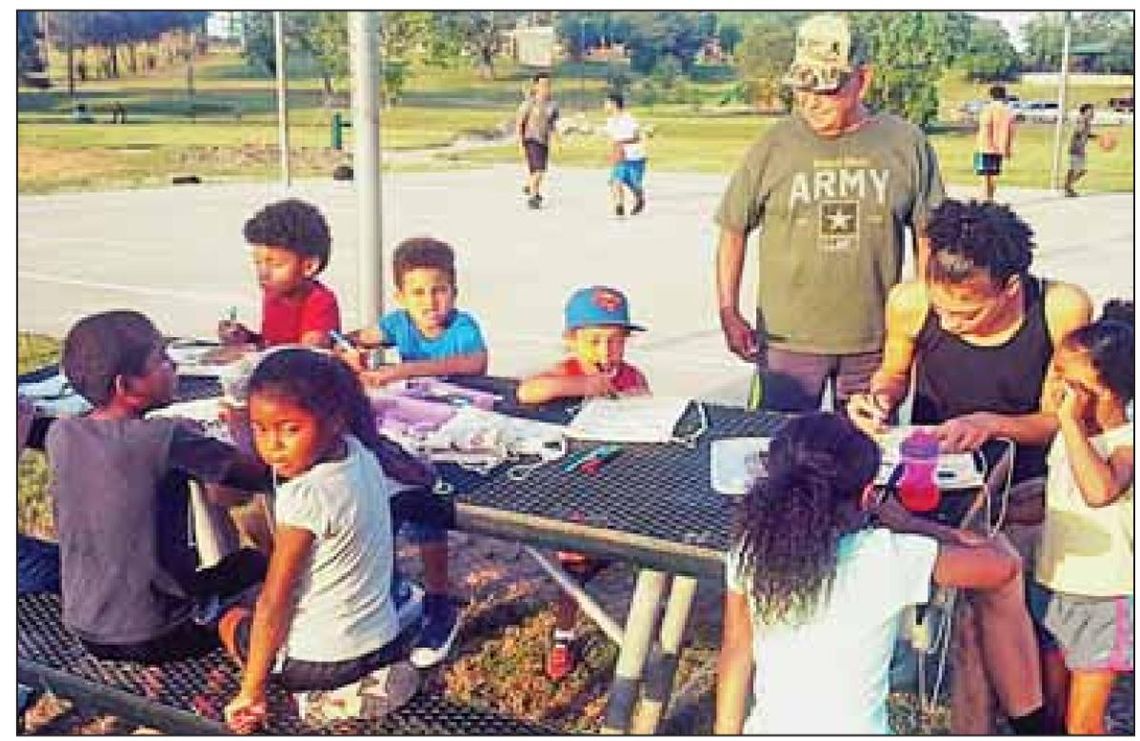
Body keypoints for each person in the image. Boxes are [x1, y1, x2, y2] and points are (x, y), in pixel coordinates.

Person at [715, 413, 1054, 734]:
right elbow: (1002, 565)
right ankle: (1031, 720)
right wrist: (911, 524)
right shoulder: (883, 555)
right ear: (867, 496)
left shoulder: (750, 549)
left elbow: (737, 649)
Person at [714, 13, 946, 414]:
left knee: (864, 452)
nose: (811, 102)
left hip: (875, 340)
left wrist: (926, 315)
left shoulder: (905, 143)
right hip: (788, 342)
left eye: (825, 89)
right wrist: (728, 310)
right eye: (802, 90)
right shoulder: (774, 144)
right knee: (777, 450)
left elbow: (928, 236)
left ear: (863, 79)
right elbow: (733, 229)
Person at [45, 310, 271, 664]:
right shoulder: (164, 438)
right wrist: (241, 422)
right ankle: (251, 659)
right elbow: (259, 476)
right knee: (258, 565)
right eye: (162, 359)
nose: (174, 367)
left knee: (232, 568)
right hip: (157, 631)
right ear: (126, 386)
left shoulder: (62, 434)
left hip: (85, 623)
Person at [222, 349, 419, 732]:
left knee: (229, 620)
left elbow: (273, 604)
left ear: (332, 421)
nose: (273, 446)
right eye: (260, 429)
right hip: (382, 639)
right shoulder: (362, 452)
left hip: (322, 661)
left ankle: (297, 693)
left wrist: (252, 691)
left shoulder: (307, 497)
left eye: (290, 429)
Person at [848, 199, 1093, 489]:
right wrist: (880, 399)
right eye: (939, 310)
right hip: (934, 472)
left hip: (1027, 480)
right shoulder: (909, 302)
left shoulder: (1060, 309)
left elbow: (1062, 419)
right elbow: (894, 373)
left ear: (1011, 288)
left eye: (966, 314)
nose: (948, 324)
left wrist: (989, 426)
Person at [340, 236, 486, 668]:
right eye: (418, 293)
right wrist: (345, 346)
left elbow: (474, 363)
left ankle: (439, 601)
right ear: (401, 297)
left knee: (428, 515)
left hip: (457, 437)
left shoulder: (462, 327)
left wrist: (407, 368)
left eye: (439, 290)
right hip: (407, 436)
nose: (430, 301)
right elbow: (361, 338)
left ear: (454, 292)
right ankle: (395, 591)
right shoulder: (396, 323)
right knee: (382, 504)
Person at [517, 285, 649, 680]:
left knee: (652, 559)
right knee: (571, 573)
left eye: (615, 341)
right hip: (575, 493)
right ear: (572, 341)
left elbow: (649, 413)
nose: (606, 352)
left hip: (620, 488)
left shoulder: (631, 376)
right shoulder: (567, 373)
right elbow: (529, 390)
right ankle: (564, 633)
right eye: (594, 341)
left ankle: (647, 630)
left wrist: (639, 401)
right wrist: (586, 386)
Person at [1030, 301, 1133, 734]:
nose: (1057, 391)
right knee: (1052, 709)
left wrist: (1069, 423)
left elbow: (1098, 491)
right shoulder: (1070, 439)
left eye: (1069, 383)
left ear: (1106, 392)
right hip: (1052, 587)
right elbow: (1060, 495)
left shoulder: (1125, 443)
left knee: (1083, 725)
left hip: (1105, 600)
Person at [218, 198, 340, 349]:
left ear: (309, 266)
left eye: (275, 264)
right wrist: (246, 338)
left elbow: (307, 355)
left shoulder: (320, 302)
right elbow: (272, 345)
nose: (263, 273)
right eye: (258, 263)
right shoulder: (273, 295)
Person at [516, 71, 560, 210]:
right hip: (531, 139)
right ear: (535, 86)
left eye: (547, 85)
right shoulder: (529, 103)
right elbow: (519, 123)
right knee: (539, 170)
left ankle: (531, 186)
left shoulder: (552, 105)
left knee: (536, 170)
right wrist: (520, 143)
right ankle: (533, 197)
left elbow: (551, 124)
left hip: (544, 141)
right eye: (542, 85)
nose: (545, 88)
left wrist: (556, 138)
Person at [603, 92, 647, 217]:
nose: (604, 106)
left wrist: (621, 142)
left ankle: (640, 198)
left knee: (634, 183)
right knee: (615, 180)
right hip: (620, 158)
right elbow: (610, 138)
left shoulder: (629, 119)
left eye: (606, 103)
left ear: (614, 104)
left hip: (634, 157)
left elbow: (637, 137)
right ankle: (619, 206)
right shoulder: (610, 121)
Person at [974, 85, 1015, 202]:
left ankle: (985, 198)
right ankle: (990, 198)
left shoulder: (988, 109)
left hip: (985, 146)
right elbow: (1009, 131)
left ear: (991, 96)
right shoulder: (1007, 111)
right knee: (993, 175)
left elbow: (985, 126)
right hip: (999, 148)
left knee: (984, 175)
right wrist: (1006, 148)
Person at [1064, 103, 1098, 198]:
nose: (1093, 113)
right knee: (1074, 169)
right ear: (1085, 111)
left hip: (1080, 149)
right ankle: (1067, 188)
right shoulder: (1082, 120)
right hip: (1076, 148)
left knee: (1081, 171)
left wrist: (1096, 137)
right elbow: (1078, 132)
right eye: (1091, 111)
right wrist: (1081, 131)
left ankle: (1067, 186)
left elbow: (1085, 134)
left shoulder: (1087, 122)